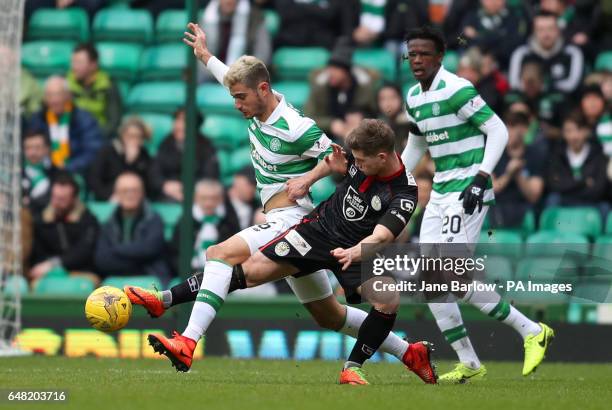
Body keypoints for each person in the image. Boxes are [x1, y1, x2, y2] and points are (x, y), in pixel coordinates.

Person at [125, 22, 435, 385]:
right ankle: (410, 352)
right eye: (234, 97)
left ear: (263, 89)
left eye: (240, 97)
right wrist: (207, 56)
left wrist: (309, 178)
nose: (236, 104)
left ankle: (183, 333)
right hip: (316, 229)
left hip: (292, 218)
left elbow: (338, 157)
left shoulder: (296, 127)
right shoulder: (258, 106)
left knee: (221, 255)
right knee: (330, 316)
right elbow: (233, 78)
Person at [148, 119, 436, 385]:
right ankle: (167, 300)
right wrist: (308, 180)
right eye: (355, 159)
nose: (356, 165)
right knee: (250, 273)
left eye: (361, 161)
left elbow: (383, 234)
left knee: (388, 298)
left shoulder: (404, 192)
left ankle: (352, 366)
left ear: (382, 158)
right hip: (318, 231)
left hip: (357, 249)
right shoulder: (362, 157)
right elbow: (332, 162)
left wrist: (356, 252)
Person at [400, 26, 554, 383]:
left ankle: (532, 330)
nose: (417, 60)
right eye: (412, 54)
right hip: (439, 194)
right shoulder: (413, 97)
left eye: (424, 54)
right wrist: (391, 181)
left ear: (440, 57)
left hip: (468, 190)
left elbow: (497, 129)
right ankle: (470, 363)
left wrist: (482, 176)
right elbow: (416, 149)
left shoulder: (457, 89)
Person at [94, 172, 170, 284]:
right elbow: (101, 259)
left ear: (142, 193)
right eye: (125, 191)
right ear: (116, 194)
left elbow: (150, 249)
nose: (130, 195)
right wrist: (138, 260)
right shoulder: (109, 222)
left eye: (134, 190)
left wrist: (115, 249)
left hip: (150, 279)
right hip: (115, 280)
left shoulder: (154, 219)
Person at [29, 171, 99, 285]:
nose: (57, 203)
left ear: (74, 199)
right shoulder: (42, 220)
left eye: (63, 199)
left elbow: (84, 252)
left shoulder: (88, 220)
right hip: (48, 273)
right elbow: (38, 252)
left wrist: (55, 263)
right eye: (55, 197)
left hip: (82, 272)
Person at [304, 37, 379, 140]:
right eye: (329, 68)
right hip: (325, 138)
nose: (330, 73)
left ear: (346, 72)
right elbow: (308, 118)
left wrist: (362, 119)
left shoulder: (364, 86)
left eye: (336, 69)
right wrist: (331, 124)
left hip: (360, 138)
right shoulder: (320, 86)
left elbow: (376, 113)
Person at [28, 76, 103, 175]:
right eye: (49, 95)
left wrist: (68, 168)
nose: (54, 100)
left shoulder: (83, 119)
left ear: (68, 95)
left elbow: (92, 150)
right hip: (44, 172)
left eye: (58, 94)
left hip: (77, 172)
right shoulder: (38, 119)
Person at [169, 179, 240, 274]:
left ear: (221, 199)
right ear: (196, 198)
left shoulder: (229, 220)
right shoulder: (186, 220)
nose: (209, 203)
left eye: (213, 198)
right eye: (204, 198)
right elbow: (175, 253)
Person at [149, 109, 219, 202]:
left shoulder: (206, 146)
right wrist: (164, 185)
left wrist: (185, 189)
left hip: (196, 195)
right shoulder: (165, 142)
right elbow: (154, 171)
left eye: (185, 121)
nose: (180, 125)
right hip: (168, 193)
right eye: (177, 120)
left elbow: (210, 175)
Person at [490, 112, 546, 228]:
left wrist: (519, 175)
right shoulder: (494, 154)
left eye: (513, 126)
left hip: (525, 211)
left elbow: (534, 196)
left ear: (524, 130)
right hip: (498, 210)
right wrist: (509, 174)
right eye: (506, 126)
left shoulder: (535, 155)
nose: (507, 131)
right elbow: (491, 190)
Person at [508, 11, 584, 95]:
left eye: (550, 29)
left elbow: (573, 85)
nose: (546, 34)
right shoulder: (522, 53)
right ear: (534, 31)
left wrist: (544, 86)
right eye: (541, 29)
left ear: (558, 30)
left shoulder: (572, 53)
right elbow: (514, 84)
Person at [198, 0, 271, 83]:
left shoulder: (256, 17)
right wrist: (217, 72)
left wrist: (242, 75)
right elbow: (199, 55)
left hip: (245, 77)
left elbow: (262, 56)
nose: (228, 1)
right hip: (211, 76)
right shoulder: (207, 18)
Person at [546, 111, 608, 207]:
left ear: (586, 131)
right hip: (564, 201)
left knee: (604, 207)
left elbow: (598, 190)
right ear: (563, 133)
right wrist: (583, 182)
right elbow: (554, 185)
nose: (574, 136)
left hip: (591, 202)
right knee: (553, 199)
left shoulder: (598, 155)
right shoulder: (557, 155)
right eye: (568, 131)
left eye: (578, 130)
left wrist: (570, 185)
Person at [88, 117, 153, 201]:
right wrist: (108, 196)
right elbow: (94, 178)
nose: (134, 140)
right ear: (122, 135)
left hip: (135, 198)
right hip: (110, 196)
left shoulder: (144, 155)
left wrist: (131, 163)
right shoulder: (108, 151)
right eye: (130, 136)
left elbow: (147, 184)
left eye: (138, 137)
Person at [67, 43, 122, 139]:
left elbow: (113, 121)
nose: (74, 67)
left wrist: (94, 136)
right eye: (73, 62)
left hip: (99, 138)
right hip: (72, 137)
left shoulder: (108, 85)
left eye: (79, 62)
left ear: (93, 65)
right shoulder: (65, 84)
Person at [458, 0, 528, 69]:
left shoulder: (512, 18)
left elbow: (512, 45)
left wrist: (478, 37)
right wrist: (496, 37)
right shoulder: (472, 15)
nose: (493, 2)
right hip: (472, 58)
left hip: (502, 64)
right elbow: (460, 40)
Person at [21, 130, 59, 213]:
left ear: (47, 149)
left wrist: (30, 202)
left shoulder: (56, 173)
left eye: (37, 148)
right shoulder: (17, 173)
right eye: (28, 148)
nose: (32, 152)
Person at [376, 83, 411, 152]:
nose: (388, 103)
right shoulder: (376, 126)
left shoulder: (410, 120)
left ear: (401, 98)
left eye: (393, 97)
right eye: (383, 99)